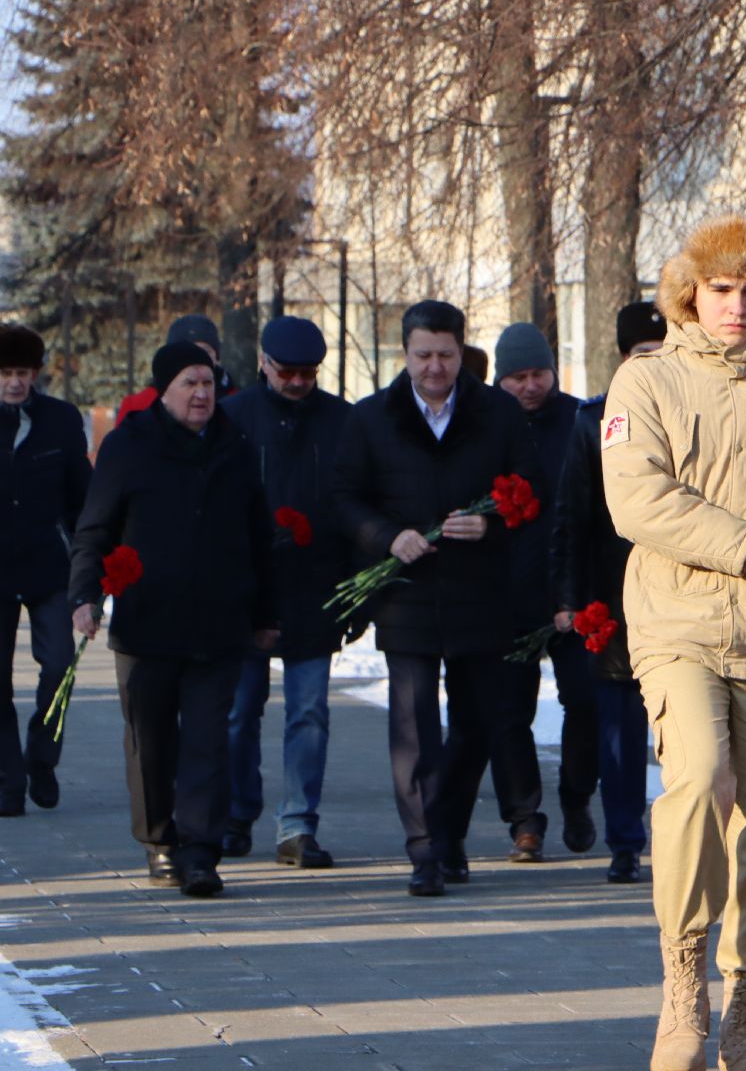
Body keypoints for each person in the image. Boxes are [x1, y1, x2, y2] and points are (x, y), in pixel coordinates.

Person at [602, 215, 746, 1071]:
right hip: (679, 624)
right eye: (721, 289)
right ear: (689, 294)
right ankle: (681, 992)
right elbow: (639, 503)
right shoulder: (647, 381)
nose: (737, 307)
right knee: (698, 779)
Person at [331, 300, 540, 897]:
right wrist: (385, 537)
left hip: (480, 594)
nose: (434, 367)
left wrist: (493, 524)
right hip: (407, 596)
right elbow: (344, 498)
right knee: (414, 726)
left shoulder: (497, 413)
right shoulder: (371, 418)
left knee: (475, 724)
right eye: (423, 355)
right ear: (406, 354)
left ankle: (447, 833)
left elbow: (529, 490)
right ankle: (425, 850)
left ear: (461, 352)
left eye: (446, 355)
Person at [69, 342, 277, 897]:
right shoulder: (128, 446)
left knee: (210, 739)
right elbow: (95, 529)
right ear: (165, 389)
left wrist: (265, 612)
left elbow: (260, 537)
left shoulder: (234, 446)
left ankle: (202, 851)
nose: (202, 393)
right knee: (151, 739)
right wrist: (84, 597)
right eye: (190, 383)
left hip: (218, 621)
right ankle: (161, 842)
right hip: (148, 623)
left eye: (208, 383)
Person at [218, 317, 353, 867]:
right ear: (264, 366)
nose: (298, 382)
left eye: (307, 373)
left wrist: (351, 592)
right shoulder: (234, 418)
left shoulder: (342, 421)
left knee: (309, 712)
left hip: (314, 587)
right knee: (237, 711)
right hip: (247, 588)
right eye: (287, 372)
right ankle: (235, 811)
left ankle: (297, 823)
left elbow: (351, 502)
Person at [466, 322, 592, 864]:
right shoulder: (483, 423)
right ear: (500, 378)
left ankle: (578, 795)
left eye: (538, 373)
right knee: (508, 711)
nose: (530, 386)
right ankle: (524, 819)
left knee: (584, 703)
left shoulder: (579, 419)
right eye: (517, 377)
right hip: (504, 590)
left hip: (572, 589)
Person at [551, 300, 667, 883]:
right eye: (643, 356)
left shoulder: (691, 414)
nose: (654, 366)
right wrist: (571, 599)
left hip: (680, 595)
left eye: (662, 354)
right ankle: (625, 841)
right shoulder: (592, 422)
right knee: (619, 727)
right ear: (624, 360)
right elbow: (572, 517)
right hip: (614, 600)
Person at [0, 324, 91, 816]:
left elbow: (82, 495)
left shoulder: (58, 420)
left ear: (36, 374)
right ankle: (7, 779)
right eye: (6, 373)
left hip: (49, 564)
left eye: (23, 373)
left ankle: (42, 755)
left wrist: (89, 563)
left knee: (59, 664)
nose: (15, 383)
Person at [115, 315, 235, 425]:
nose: (196, 358)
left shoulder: (237, 404)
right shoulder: (137, 407)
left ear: (217, 357)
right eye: (185, 351)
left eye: (204, 352)